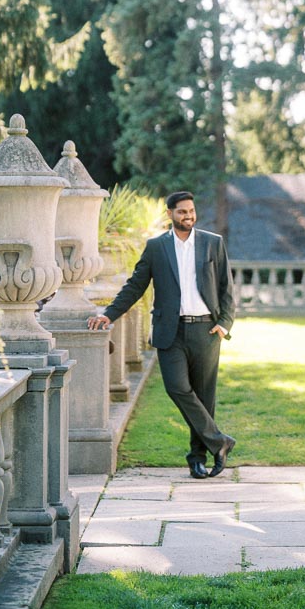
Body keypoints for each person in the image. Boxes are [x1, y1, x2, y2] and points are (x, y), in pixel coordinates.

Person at [87, 190, 236, 480]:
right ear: (170, 214)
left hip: (206, 330)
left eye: (191, 211)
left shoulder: (212, 243)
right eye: (182, 212)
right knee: (177, 387)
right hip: (171, 332)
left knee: (205, 397)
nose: (188, 216)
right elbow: (135, 286)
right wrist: (109, 314)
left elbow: (226, 288)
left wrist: (224, 324)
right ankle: (220, 442)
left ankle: (197, 458)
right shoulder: (156, 247)